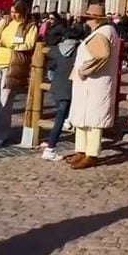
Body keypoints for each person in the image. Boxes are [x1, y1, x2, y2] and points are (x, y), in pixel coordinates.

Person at [67, 4, 120, 169]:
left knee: (94, 120)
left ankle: (92, 153)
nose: (86, 21)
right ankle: (81, 150)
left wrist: (84, 70)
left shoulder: (104, 32)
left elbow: (101, 55)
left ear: (96, 19)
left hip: (96, 82)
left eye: (88, 18)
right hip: (88, 83)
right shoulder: (99, 32)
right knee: (81, 118)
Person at [0, 0, 37, 147]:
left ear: (23, 12)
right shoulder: (5, 22)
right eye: (11, 12)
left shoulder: (30, 26)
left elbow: (29, 44)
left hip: (13, 66)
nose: (13, 15)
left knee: (4, 101)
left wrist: (9, 44)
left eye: (16, 12)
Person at [41, 24, 83, 160]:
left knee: (61, 113)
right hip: (69, 86)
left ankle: (67, 120)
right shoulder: (79, 50)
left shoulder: (58, 48)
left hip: (57, 85)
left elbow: (48, 52)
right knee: (60, 117)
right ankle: (50, 148)